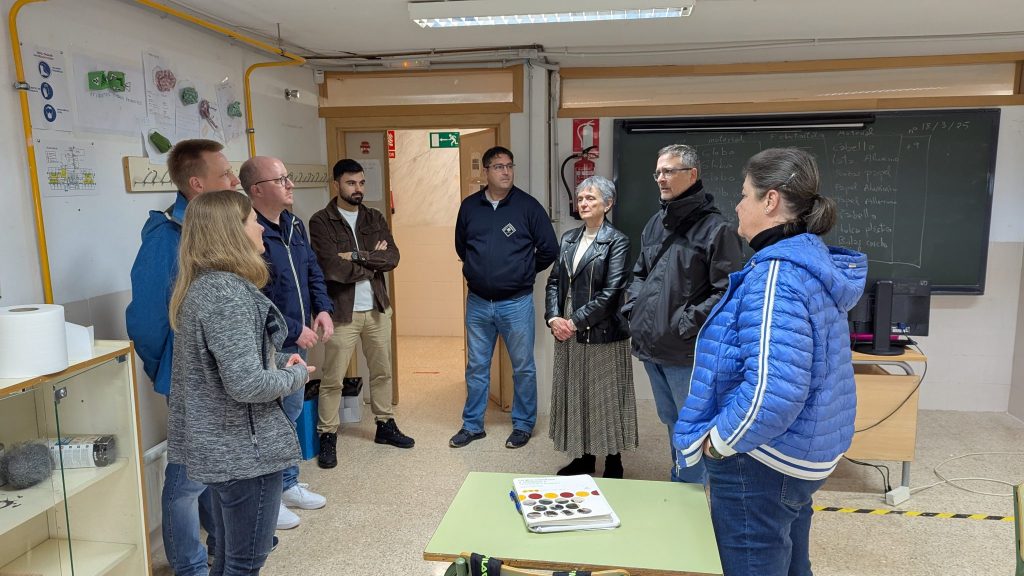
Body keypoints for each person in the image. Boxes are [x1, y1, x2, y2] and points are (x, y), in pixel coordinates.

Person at [674, 148, 867, 576]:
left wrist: (720, 442)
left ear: (771, 200)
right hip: (802, 450)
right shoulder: (809, 261)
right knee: (792, 562)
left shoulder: (776, 275)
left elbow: (774, 391)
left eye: (745, 195)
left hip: (763, 460)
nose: (738, 206)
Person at [168, 190, 310, 576]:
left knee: (229, 557)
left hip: (226, 448)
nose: (260, 228)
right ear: (231, 232)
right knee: (245, 563)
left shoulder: (208, 287)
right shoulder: (227, 296)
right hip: (244, 454)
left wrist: (276, 361)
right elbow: (246, 384)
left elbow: (228, 365)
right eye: (252, 221)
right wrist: (295, 374)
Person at [126, 138, 238, 576]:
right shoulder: (166, 238)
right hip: (190, 380)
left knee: (215, 472)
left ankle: (217, 551)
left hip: (221, 376)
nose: (234, 180)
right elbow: (146, 322)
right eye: (225, 174)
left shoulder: (215, 230)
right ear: (197, 184)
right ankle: (189, 566)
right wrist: (170, 372)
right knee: (188, 480)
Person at [620, 144, 743, 483]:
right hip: (651, 346)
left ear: (692, 175)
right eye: (658, 172)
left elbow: (727, 291)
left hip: (687, 351)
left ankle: (691, 491)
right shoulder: (655, 224)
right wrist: (634, 310)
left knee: (693, 424)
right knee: (670, 419)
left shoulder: (718, 229)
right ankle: (682, 478)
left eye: (669, 171)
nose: (661, 178)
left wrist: (684, 324)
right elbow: (640, 274)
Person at [239, 156, 333, 530]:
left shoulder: (293, 224)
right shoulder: (249, 232)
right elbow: (258, 295)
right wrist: (294, 329)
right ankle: (270, 499)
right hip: (271, 343)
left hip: (298, 338)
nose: (290, 185)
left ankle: (288, 483)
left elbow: (312, 269)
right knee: (271, 420)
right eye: (281, 180)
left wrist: (322, 308)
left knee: (291, 412)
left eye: (288, 178)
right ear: (257, 190)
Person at [308, 158, 414, 469]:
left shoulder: (374, 217)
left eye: (362, 183)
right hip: (342, 312)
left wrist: (355, 256)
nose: (358, 189)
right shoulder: (321, 221)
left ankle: (385, 424)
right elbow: (331, 267)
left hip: (378, 308)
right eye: (351, 183)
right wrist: (370, 263)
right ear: (336, 184)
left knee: (382, 372)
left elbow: (392, 258)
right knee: (333, 378)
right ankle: (327, 434)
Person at [451, 146, 558, 449]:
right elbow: (462, 247)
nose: (506, 172)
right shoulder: (470, 207)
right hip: (478, 303)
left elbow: (549, 249)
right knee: (476, 367)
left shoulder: (528, 206)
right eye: (499, 167)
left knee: (523, 367)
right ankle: (472, 425)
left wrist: (524, 271)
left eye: (509, 166)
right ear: (485, 171)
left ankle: (523, 425)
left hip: (516, 303)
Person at [544, 176, 637, 478]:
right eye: (581, 198)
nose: (583, 203)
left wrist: (573, 322)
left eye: (591, 198)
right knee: (578, 394)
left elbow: (611, 294)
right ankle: (584, 458)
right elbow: (554, 282)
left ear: (608, 204)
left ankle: (613, 460)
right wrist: (553, 318)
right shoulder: (568, 238)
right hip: (567, 328)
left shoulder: (617, 241)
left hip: (601, 331)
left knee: (605, 397)